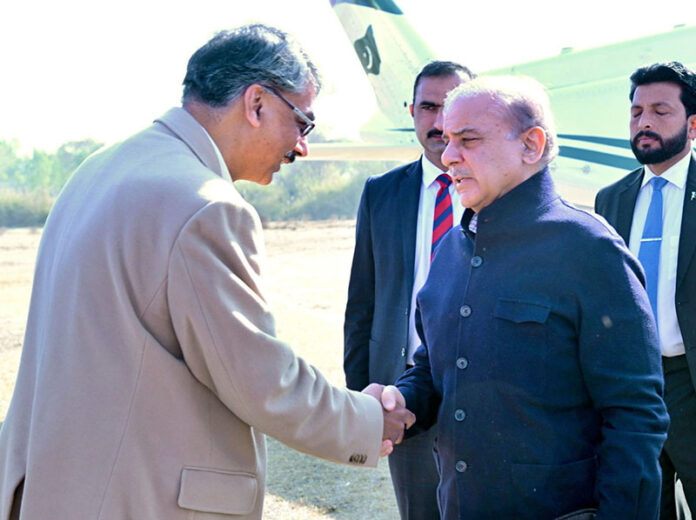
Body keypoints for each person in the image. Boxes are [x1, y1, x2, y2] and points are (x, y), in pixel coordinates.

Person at [0, 25, 414, 520]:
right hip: (137, 501)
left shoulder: (99, 167)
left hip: (54, 491)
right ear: (256, 103)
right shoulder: (206, 206)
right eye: (302, 122)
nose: (301, 147)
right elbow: (260, 380)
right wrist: (369, 420)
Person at [382, 75, 669, 519]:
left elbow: (635, 415)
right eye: (445, 139)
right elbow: (434, 367)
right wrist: (401, 401)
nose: (448, 155)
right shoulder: (451, 251)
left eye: (468, 140)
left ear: (531, 145)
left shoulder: (590, 251)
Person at [344, 60, 474, 519]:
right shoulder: (382, 193)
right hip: (403, 396)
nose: (439, 122)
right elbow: (363, 300)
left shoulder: (497, 188)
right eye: (427, 107)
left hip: (481, 391)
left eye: (451, 107)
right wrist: (363, 398)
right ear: (412, 112)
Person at [595, 61, 696, 519]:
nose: (645, 123)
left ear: (693, 124)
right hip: (632, 390)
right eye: (636, 113)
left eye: (660, 110)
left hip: (690, 384)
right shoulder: (610, 199)